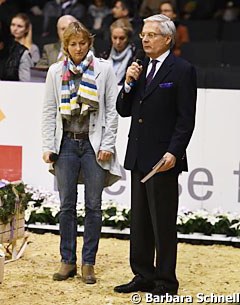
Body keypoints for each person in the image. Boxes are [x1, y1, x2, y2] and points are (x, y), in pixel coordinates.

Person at [114, 14, 197, 296]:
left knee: (162, 221)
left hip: (163, 159)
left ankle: (165, 280)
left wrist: (175, 151)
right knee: (139, 221)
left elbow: (186, 119)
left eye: (151, 35)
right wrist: (127, 84)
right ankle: (142, 274)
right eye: (143, 35)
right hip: (138, 155)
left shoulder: (182, 70)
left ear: (167, 39)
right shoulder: (138, 67)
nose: (145, 39)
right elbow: (123, 109)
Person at [41, 21, 121, 284]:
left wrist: (108, 144)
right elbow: (49, 111)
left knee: (94, 206)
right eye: (73, 44)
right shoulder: (55, 71)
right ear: (66, 46)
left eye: (82, 43)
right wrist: (47, 146)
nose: (78, 48)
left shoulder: (104, 69)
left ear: (90, 43)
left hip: (93, 144)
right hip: (65, 143)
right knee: (66, 206)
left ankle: (89, 263)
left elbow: (111, 110)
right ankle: (67, 261)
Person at [101, 18, 137, 85]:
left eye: (122, 38)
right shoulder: (104, 54)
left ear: (128, 38)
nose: (117, 42)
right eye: (114, 38)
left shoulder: (135, 57)